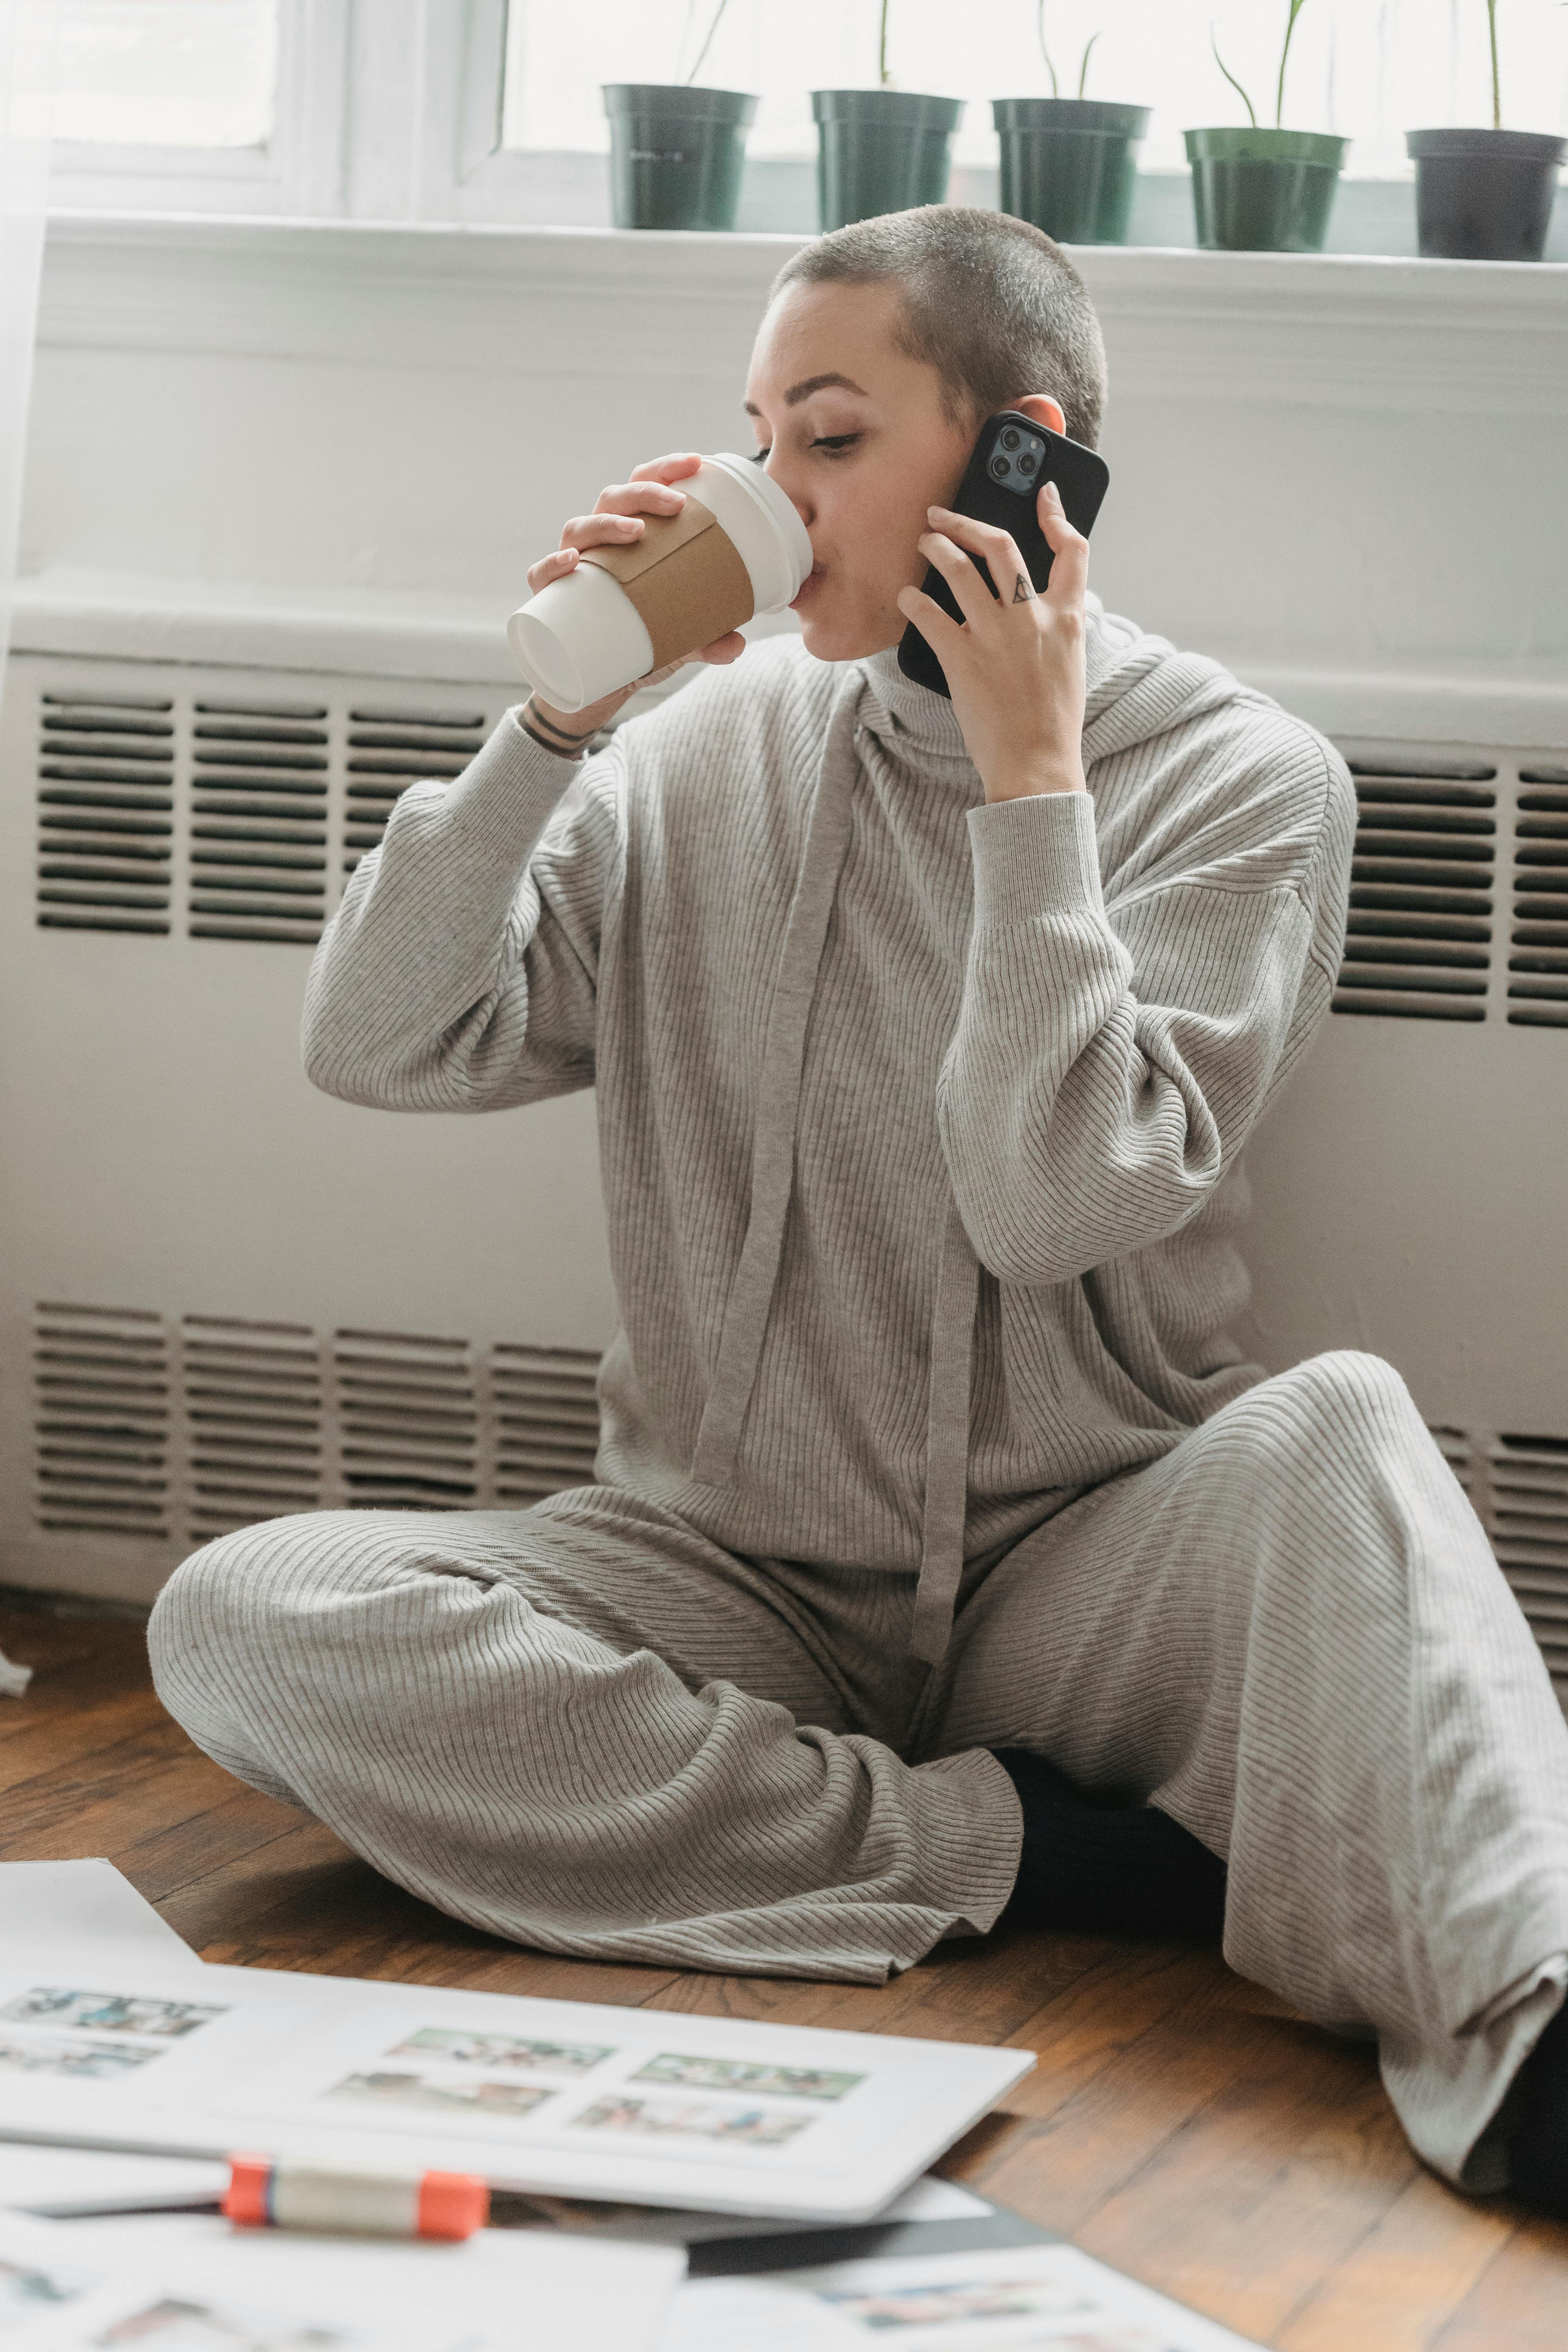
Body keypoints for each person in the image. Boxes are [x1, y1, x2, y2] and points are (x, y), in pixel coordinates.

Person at [147, 207, 1568, 2214]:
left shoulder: (1244, 783)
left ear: (1021, 455)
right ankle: (1023, 1860)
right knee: (249, 1622)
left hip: (1083, 1563)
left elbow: (1047, 1197)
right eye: (749, 432)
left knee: (1339, 1427)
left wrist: (1027, 786)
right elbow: (382, 1042)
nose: (762, 488)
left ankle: (1531, 2020)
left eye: (825, 439)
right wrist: (556, 726)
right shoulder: (694, 755)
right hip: (722, 1564)